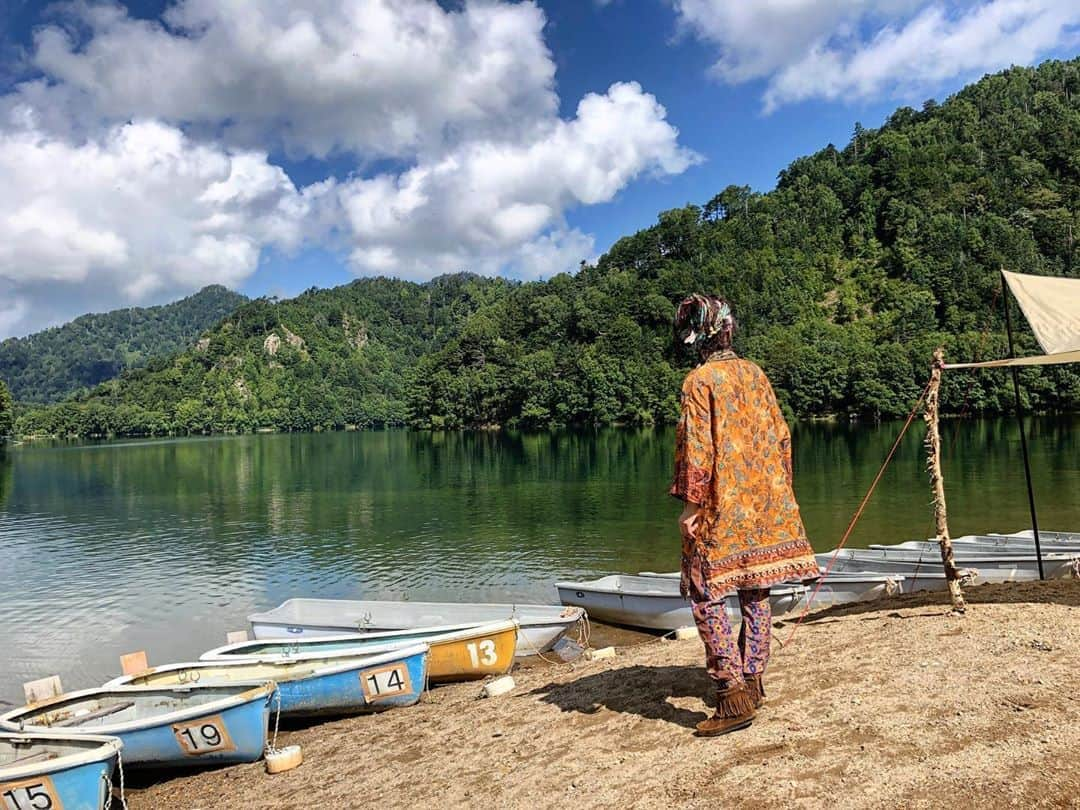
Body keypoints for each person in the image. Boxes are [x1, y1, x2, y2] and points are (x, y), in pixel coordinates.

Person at [670, 294, 819, 737]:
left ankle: (732, 694)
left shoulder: (700, 382)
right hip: (765, 505)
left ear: (696, 336)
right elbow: (782, 437)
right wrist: (780, 495)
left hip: (722, 508)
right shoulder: (755, 373)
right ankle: (753, 678)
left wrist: (691, 506)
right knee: (755, 591)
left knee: (704, 591)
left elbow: (698, 450)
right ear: (728, 330)